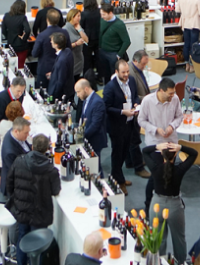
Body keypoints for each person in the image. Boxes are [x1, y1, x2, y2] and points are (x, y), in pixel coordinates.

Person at [6, 134, 62, 265]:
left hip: (22, 210)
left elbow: (9, 182)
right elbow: (55, 191)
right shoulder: (51, 170)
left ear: (32, 146)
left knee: (22, 237)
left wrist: (17, 200)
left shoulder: (19, 161)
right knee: (38, 244)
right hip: (40, 213)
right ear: (47, 149)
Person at [142, 142, 197, 263]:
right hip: (175, 207)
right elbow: (194, 154)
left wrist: (156, 146)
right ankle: (180, 262)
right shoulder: (179, 170)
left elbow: (145, 151)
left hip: (156, 205)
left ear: (161, 154)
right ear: (175, 154)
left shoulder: (155, 168)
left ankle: (159, 262)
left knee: (158, 239)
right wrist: (181, 147)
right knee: (179, 239)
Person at [103, 60, 139, 194]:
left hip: (129, 123)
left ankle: (116, 177)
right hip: (116, 126)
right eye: (123, 72)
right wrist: (122, 112)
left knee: (124, 151)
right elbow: (106, 107)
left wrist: (136, 104)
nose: (126, 74)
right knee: (117, 153)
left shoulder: (132, 81)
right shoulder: (110, 87)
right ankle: (119, 181)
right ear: (116, 72)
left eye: (127, 71)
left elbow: (135, 96)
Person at [32, 10, 71, 89]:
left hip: (44, 69)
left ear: (47, 20)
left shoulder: (42, 35)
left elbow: (34, 53)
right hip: (60, 69)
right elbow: (69, 49)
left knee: (42, 92)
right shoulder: (65, 33)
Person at [138, 78, 183, 146]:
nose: (173, 95)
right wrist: (156, 129)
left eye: (174, 92)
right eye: (170, 93)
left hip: (171, 142)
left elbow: (179, 117)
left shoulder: (175, 99)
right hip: (154, 143)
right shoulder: (147, 100)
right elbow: (141, 120)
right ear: (161, 91)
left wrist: (172, 126)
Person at [99, 3, 132, 84]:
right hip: (103, 52)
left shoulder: (119, 25)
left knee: (114, 77)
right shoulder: (102, 20)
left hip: (113, 54)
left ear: (110, 13)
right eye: (101, 14)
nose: (102, 16)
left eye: (104, 14)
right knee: (105, 75)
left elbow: (127, 41)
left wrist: (118, 55)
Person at [75, 79, 107, 160]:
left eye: (78, 92)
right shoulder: (86, 99)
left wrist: (81, 136)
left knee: (95, 165)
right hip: (88, 138)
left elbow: (95, 125)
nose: (77, 95)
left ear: (86, 89)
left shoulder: (97, 102)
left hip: (95, 140)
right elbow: (84, 117)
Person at [177, 0, 200, 72]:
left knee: (186, 45)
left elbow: (177, 10)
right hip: (194, 24)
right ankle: (192, 66)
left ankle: (187, 64)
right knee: (194, 46)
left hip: (185, 24)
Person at [0, 117, 31, 195]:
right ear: (16, 131)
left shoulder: (14, 133)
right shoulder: (10, 152)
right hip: (14, 189)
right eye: (26, 133)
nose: (28, 135)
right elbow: (18, 174)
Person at [3, 0, 33, 66]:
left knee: (11, 66)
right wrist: (24, 38)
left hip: (10, 44)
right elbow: (28, 30)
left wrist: (8, 37)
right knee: (20, 66)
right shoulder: (23, 17)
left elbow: (3, 30)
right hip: (21, 45)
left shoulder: (6, 15)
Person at [48, 33, 75, 101]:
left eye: (52, 41)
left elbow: (61, 81)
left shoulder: (61, 61)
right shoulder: (68, 51)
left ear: (56, 45)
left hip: (61, 93)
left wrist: (55, 95)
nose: (51, 42)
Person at [64, 9, 88, 79]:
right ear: (72, 17)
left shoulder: (78, 26)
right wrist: (76, 43)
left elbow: (86, 40)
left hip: (79, 60)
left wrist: (80, 30)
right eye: (78, 16)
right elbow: (64, 46)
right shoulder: (65, 29)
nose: (80, 18)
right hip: (71, 59)